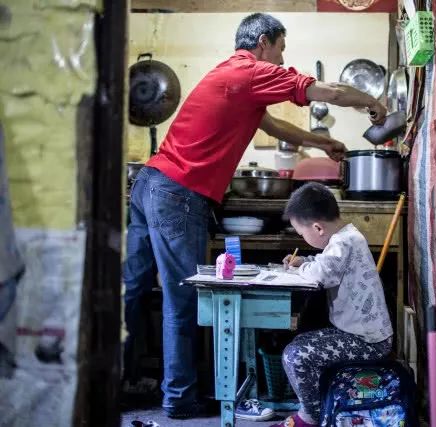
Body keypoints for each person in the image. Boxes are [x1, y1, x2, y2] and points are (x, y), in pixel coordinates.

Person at [123, 12, 388, 419]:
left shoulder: (230, 75)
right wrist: (372, 102)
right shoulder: (254, 72)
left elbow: (272, 125)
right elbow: (330, 91)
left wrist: (320, 142)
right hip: (177, 192)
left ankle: (114, 385)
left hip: (149, 184)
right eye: (281, 48)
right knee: (182, 299)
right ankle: (179, 398)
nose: (282, 59)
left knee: (134, 289)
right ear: (263, 41)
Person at [274, 182, 393, 427]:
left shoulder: (344, 242)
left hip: (368, 342)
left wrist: (301, 268)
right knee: (300, 342)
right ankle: (321, 408)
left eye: (301, 233)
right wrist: (304, 261)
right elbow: (326, 263)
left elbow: (321, 274)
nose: (302, 238)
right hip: (362, 335)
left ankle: (311, 418)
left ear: (317, 228)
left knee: (295, 356)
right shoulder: (346, 237)